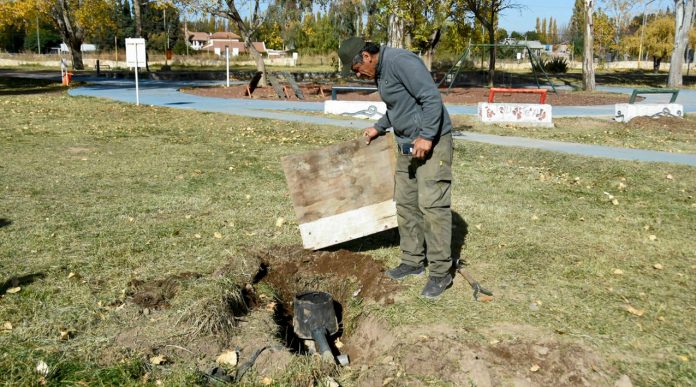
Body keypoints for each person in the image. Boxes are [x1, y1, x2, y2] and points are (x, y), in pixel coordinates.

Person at [349, 42, 454, 299]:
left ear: (366, 56)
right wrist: (379, 127)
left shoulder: (401, 62)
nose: (358, 75)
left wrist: (427, 136)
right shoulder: (382, 71)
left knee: (432, 206)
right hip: (407, 145)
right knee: (406, 205)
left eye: (357, 69)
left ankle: (441, 273)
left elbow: (431, 97)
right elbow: (399, 106)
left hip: (431, 143)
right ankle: (412, 261)